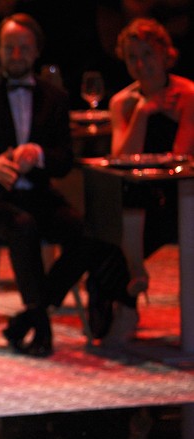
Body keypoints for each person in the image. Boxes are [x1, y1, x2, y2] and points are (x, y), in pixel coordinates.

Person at [0, 13, 135, 356]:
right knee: (23, 227)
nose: (16, 54)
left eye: (24, 48)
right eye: (9, 48)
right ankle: (43, 329)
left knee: (87, 233)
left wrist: (38, 155)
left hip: (36, 194)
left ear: (36, 52)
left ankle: (29, 317)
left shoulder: (55, 96)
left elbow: (64, 161)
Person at [108, 17, 194, 339]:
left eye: (148, 54)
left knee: (110, 251)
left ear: (165, 54)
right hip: (139, 197)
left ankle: (130, 283)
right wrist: (143, 113)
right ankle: (133, 275)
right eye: (132, 57)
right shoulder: (123, 102)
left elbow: (180, 159)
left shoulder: (187, 95)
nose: (141, 64)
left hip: (180, 196)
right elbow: (121, 161)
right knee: (106, 232)